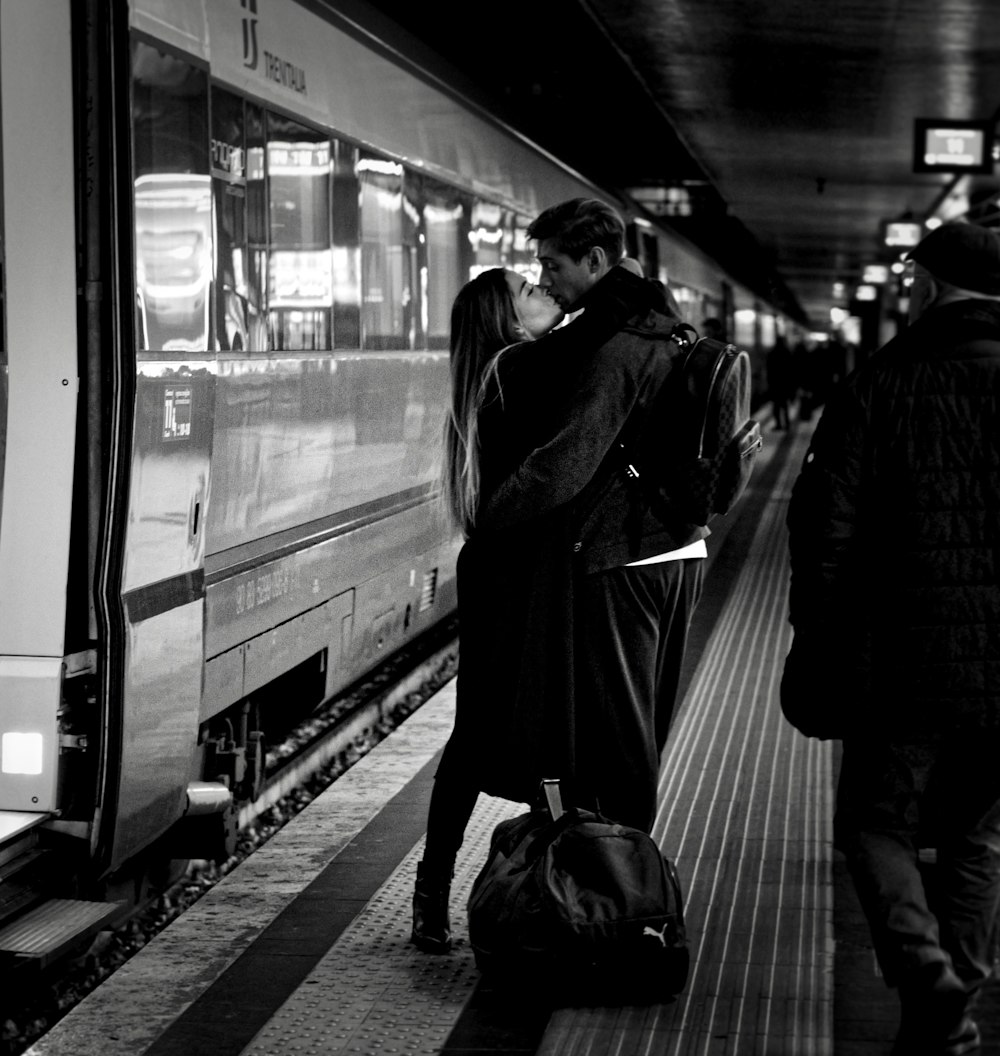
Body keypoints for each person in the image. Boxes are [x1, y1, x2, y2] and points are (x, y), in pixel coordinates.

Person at [412, 199, 707, 953]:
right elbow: (588, 369)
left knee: (499, 734)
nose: (545, 291)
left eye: (547, 274)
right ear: (507, 323)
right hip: (519, 572)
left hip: (519, 569)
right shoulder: (520, 368)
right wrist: (630, 290)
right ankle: (516, 890)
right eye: (529, 288)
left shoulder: (509, 370)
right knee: (505, 734)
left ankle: (466, 894)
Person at [783, 221, 1000, 1055]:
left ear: (927, 285)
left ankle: (924, 974)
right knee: (980, 836)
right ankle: (953, 1003)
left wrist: (819, 639)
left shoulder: (879, 382)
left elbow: (824, 530)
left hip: (900, 660)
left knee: (878, 825)